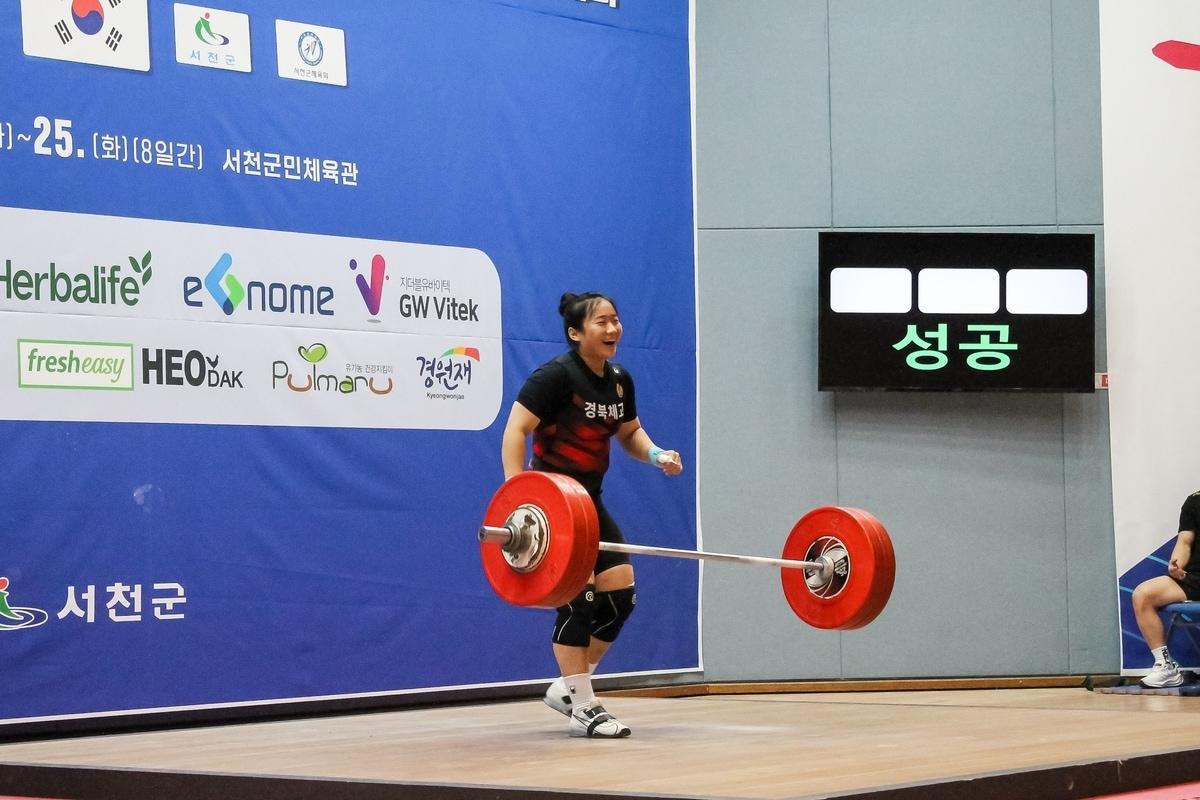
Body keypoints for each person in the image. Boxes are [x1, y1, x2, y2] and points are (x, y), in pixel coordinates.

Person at [500, 291, 683, 738]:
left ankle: (568, 688)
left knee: (619, 600)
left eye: (615, 320)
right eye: (601, 322)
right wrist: (516, 495)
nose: (612, 329)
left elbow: (630, 433)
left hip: (590, 505)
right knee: (576, 602)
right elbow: (516, 429)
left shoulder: (619, 380)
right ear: (575, 333)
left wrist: (657, 454)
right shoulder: (556, 377)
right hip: (554, 506)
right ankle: (585, 704)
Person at [1131, 490, 1200, 687]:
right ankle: (1165, 667)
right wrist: (1175, 564)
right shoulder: (1194, 500)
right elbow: (1185, 542)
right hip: (1196, 577)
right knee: (1143, 595)